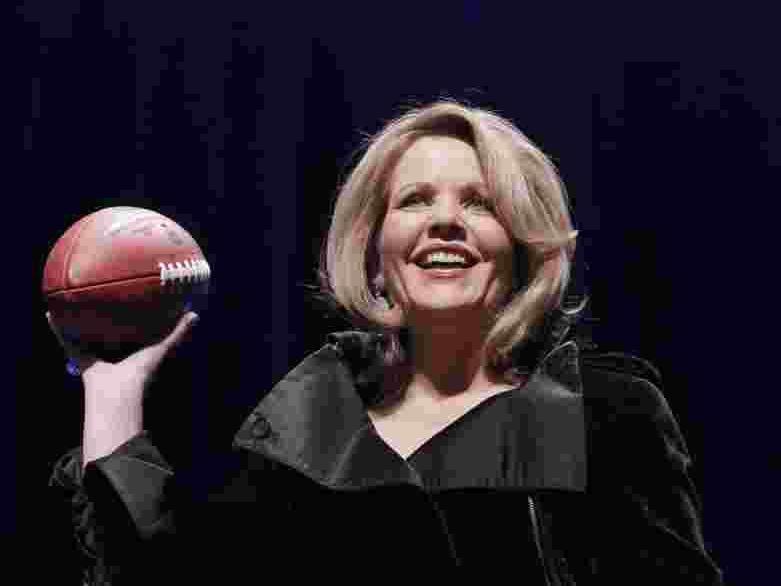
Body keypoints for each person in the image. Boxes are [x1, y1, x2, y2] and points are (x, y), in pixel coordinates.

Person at [48, 98, 726, 585]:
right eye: (414, 202)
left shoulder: (599, 410)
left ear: (523, 246)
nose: (445, 223)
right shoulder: (313, 422)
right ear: (374, 253)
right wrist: (112, 391)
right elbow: (161, 571)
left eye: (480, 203)